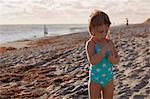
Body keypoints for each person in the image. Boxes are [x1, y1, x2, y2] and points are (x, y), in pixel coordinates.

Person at [85, 9, 120, 99]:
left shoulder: (109, 43)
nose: (104, 34)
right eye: (101, 31)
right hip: (95, 79)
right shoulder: (91, 43)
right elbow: (93, 61)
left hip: (108, 78)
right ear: (92, 30)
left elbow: (117, 59)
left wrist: (113, 59)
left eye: (106, 31)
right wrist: (103, 50)